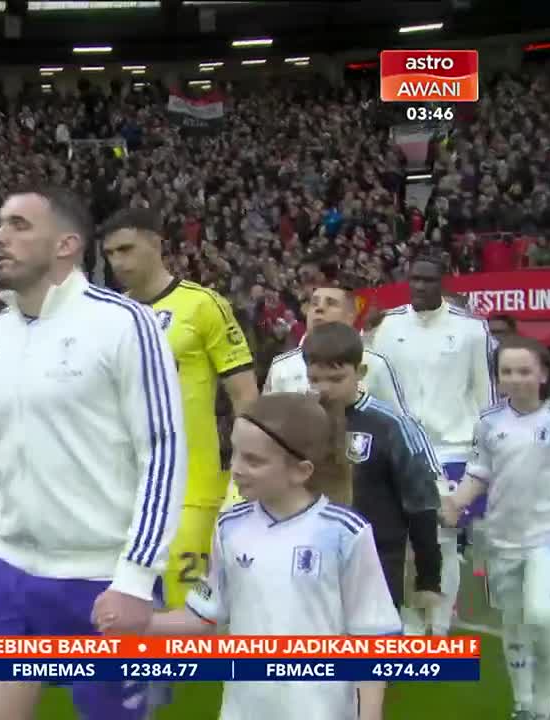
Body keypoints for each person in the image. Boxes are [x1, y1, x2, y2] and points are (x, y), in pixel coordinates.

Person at [0, 187, 186, 720]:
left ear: (66, 245)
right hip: (8, 571)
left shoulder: (125, 324)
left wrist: (135, 578)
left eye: (18, 225)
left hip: (100, 578)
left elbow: (164, 451)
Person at [146, 393, 401, 720]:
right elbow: (203, 615)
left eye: (253, 460)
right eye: (234, 452)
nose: (236, 468)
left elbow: (373, 637)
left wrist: (370, 715)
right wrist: (144, 621)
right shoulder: (229, 526)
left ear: (300, 471)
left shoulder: (344, 532)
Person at [101, 206, 257, 609]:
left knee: (187, 615)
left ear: (156, 244)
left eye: (126, 249)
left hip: (192, 486)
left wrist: (244, 473)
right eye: (111, 254)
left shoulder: (204, 305)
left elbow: (244, 395)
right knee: (123, 615)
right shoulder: (110, 316)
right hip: (125, 491)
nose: (118, 262)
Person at [369, 253, 495, 636]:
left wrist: (481, 447)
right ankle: (408, 617)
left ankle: (439, 626)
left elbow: (484, 393)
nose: (420, 286)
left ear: (444, 282)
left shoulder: (471, 330)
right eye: (414, 279)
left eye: (428, 280)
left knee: (442, 535)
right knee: (398, 538)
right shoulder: (387, 326)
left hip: (450, 448)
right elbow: (372, 383)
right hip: (398, 445)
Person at [441, 336, 550, 720]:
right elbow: (479, 473)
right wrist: (455, 504)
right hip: (501, 539)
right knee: (515, 624)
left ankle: (545, 700)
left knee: (543, 616)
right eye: (507, 371)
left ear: (542, 374)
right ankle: (522, 703)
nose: (516, 378)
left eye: (524, 370)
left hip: (546, 539)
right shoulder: (489, 423)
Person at [303, 323, 444, 618]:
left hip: (378, 560)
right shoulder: (300, 422)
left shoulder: (391, 425)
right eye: (315, 379)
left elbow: (421, 503)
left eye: (336, 378)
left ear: (361, 373)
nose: (325, 388)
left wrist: (428, 578)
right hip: (311, 560)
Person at [265, 283, 409, 414]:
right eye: (314, 303)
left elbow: (398, 417)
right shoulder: (281, 367)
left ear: (351, 316)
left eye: (331, 303)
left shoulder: (376, 364)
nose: (319, 308)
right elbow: (267, 421)